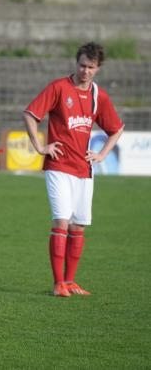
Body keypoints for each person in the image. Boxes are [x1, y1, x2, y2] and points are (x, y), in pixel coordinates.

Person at [22, 42, 124, 298]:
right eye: (81, 65)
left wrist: (101, 154)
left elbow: (116, 128)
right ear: (75, 63)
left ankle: (71, 281)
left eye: (90, 67)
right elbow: (30, 114)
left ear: (98, 68)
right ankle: (58, 284)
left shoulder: (98, 96)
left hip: (84, 169)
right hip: (58, 166)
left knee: (78, 227)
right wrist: (40, 146)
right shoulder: (59, 87)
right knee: (61, 222)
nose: (85, 71)